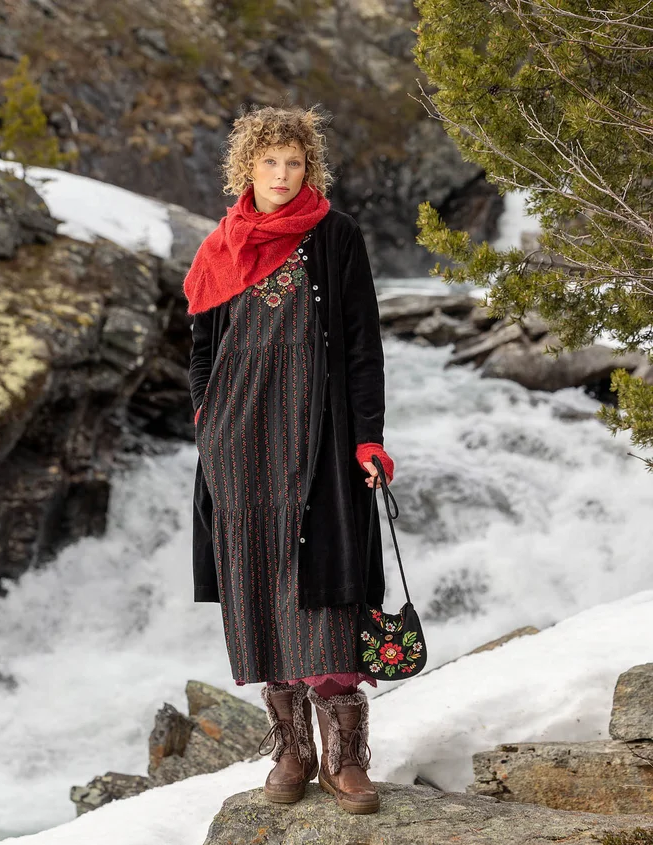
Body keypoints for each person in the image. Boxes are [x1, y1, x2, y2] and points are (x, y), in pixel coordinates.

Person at [183, 104, 395, 815]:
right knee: (257, 580)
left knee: (327, 584)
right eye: (269, 162)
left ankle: (345, 757)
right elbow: (202, 349)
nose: (281, 174)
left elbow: (363, 346)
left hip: (319, 437)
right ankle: (291, 749)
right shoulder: (221, 244)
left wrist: (369, 438)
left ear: (310, 167)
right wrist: (204, 423)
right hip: (238, 441)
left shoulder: (337, 237)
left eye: (294, 162)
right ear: (246, 167)